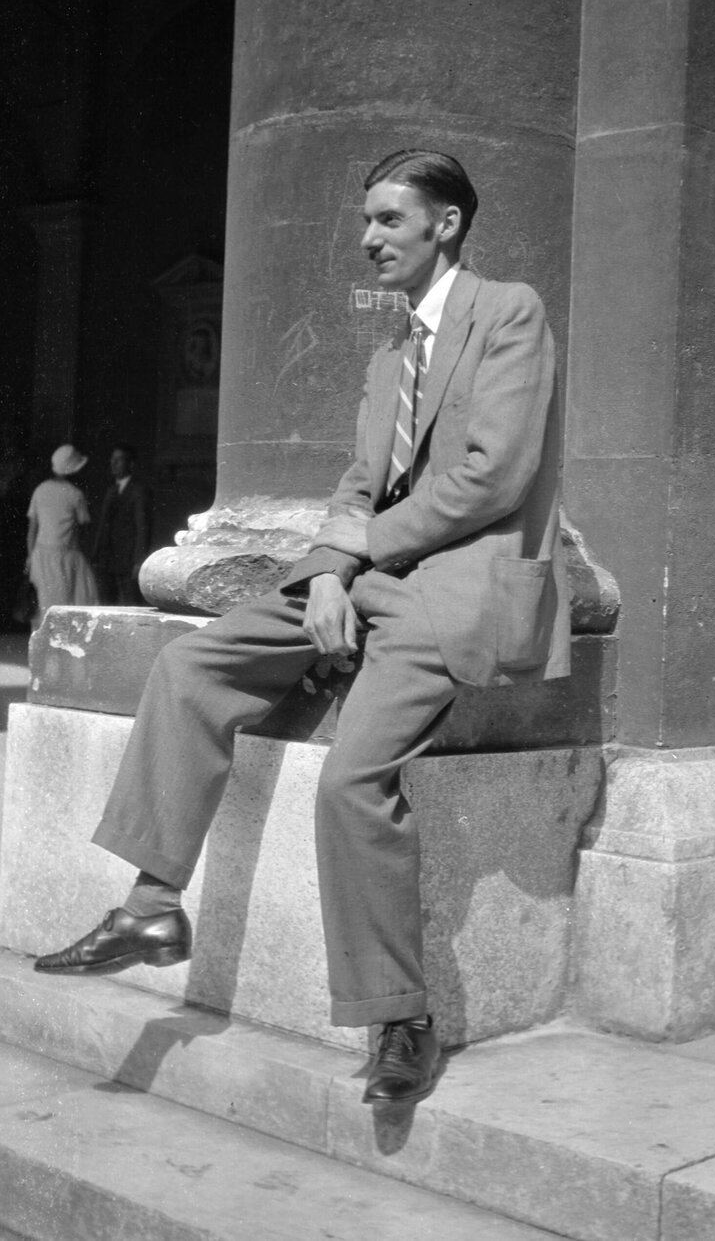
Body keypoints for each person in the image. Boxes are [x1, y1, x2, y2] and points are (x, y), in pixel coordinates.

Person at [32, 149, 570, 1106]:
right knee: (191, 666)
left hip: (454, 592)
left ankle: (402, 1018)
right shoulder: (388, 355)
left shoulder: (509, 312)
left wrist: (357, 555)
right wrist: (329, 568)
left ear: (446, 225)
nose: (368, 239)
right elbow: (358, 485)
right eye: (366, 222)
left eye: (390, 221)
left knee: (352, 781)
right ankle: (153, 909)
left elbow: (492, 475)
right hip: (363, 581)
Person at [26, 444, 100, 626]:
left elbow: (32, 529)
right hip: (66, 557)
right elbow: (83, 527)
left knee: (45, 603)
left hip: (40, 555)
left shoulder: (40, 489)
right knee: (72, 601)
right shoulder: (75, 495)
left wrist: (30, 556)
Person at [93, 443, 151, 605]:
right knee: (106, 604)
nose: (113, 464)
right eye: (112, 460)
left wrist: (139, 560)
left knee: (131, 604)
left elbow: (142, 526)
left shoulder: (138, 490)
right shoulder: (111, 490)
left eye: (119, 460)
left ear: (130, 464)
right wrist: (97, 555)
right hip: (107, 559)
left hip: (128, 560)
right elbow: (103, 525)